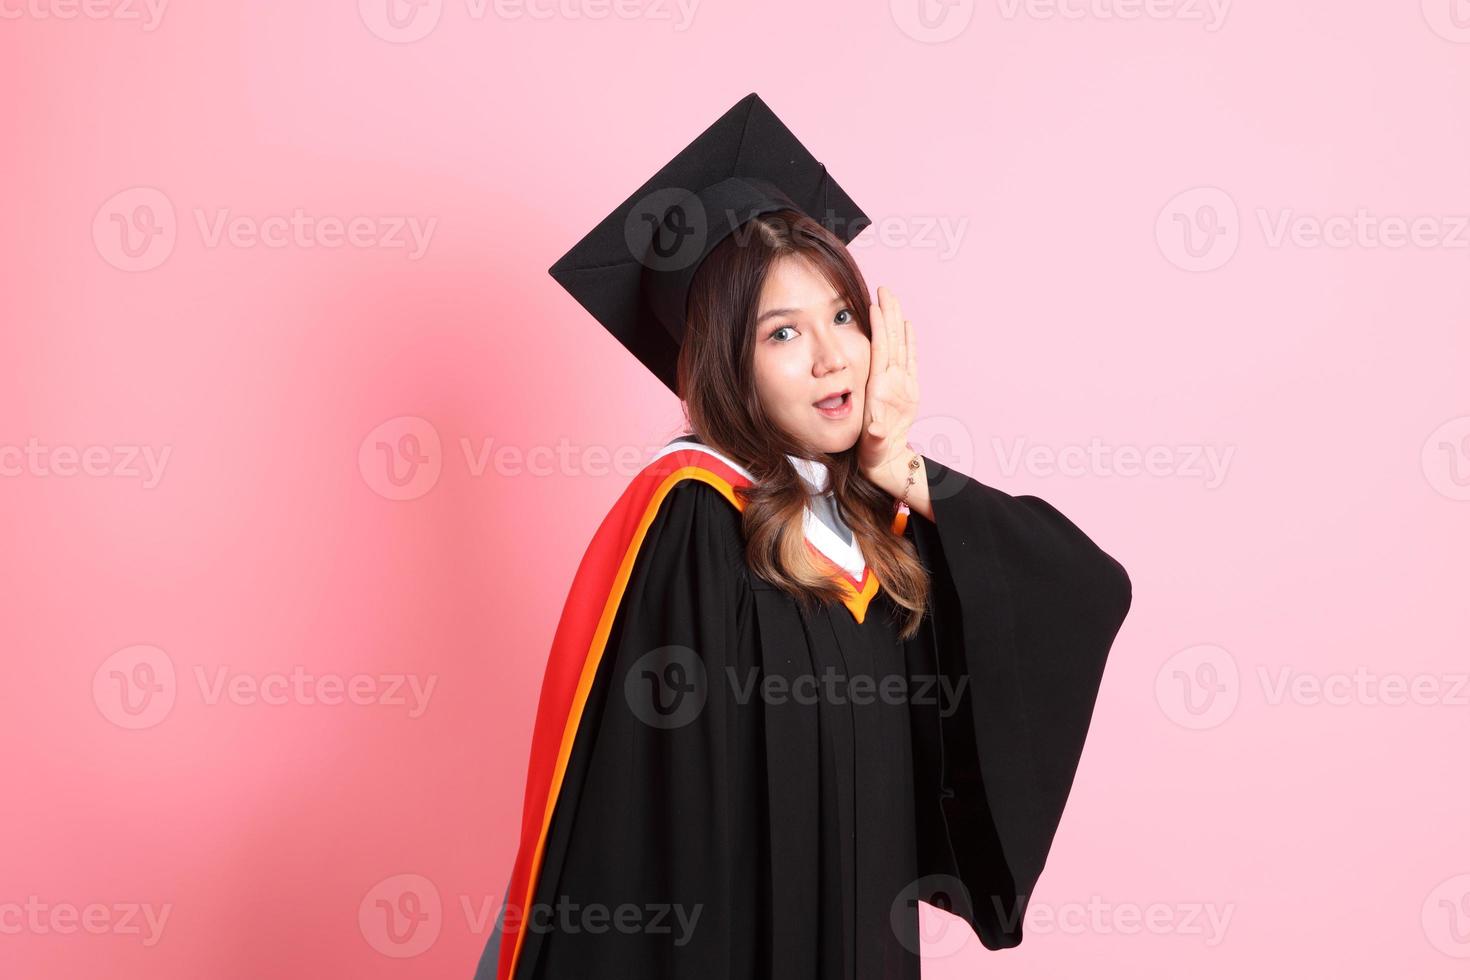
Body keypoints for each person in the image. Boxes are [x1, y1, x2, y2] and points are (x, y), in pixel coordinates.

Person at [474, 92, 1132, 980]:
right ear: (721, 363)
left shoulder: (872, 523)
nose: (832, 358)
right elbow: (657, 826)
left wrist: (901, 469)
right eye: (783, 332)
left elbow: (1085, 587)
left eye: (843, 316)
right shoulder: (691, 518)